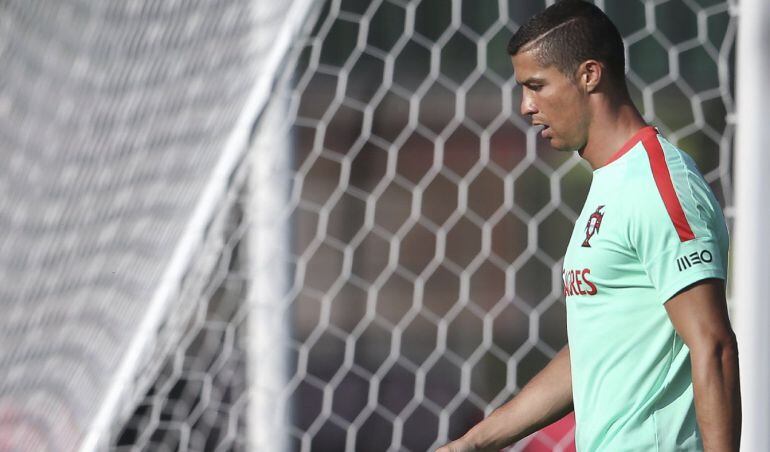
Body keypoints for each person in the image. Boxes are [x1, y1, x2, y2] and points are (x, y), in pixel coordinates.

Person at [437, 1, 741, 451]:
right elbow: (593, 356)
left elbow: (713, 346)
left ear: (589, 75)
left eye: (536, 86)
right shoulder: (610, 182)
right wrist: (474, 442)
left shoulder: (659, 186)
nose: (525, 106)